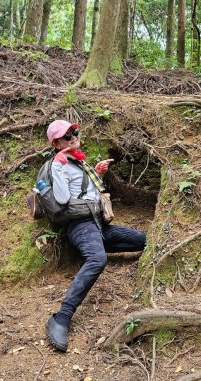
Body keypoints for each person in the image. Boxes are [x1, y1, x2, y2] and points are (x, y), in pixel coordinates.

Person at [44, 119, 146, 352]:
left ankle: (100, 245)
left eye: (74, 132)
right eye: (66, 136)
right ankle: (61, 317)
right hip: (80, 226)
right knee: (97, 259)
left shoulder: (78, 162)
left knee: (145, 240)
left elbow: (86, 194)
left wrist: (97, 174)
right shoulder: (58, 164)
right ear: (56, 143)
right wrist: (58, 166)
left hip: (99, 225)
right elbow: (61, 199)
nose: (72, 136)